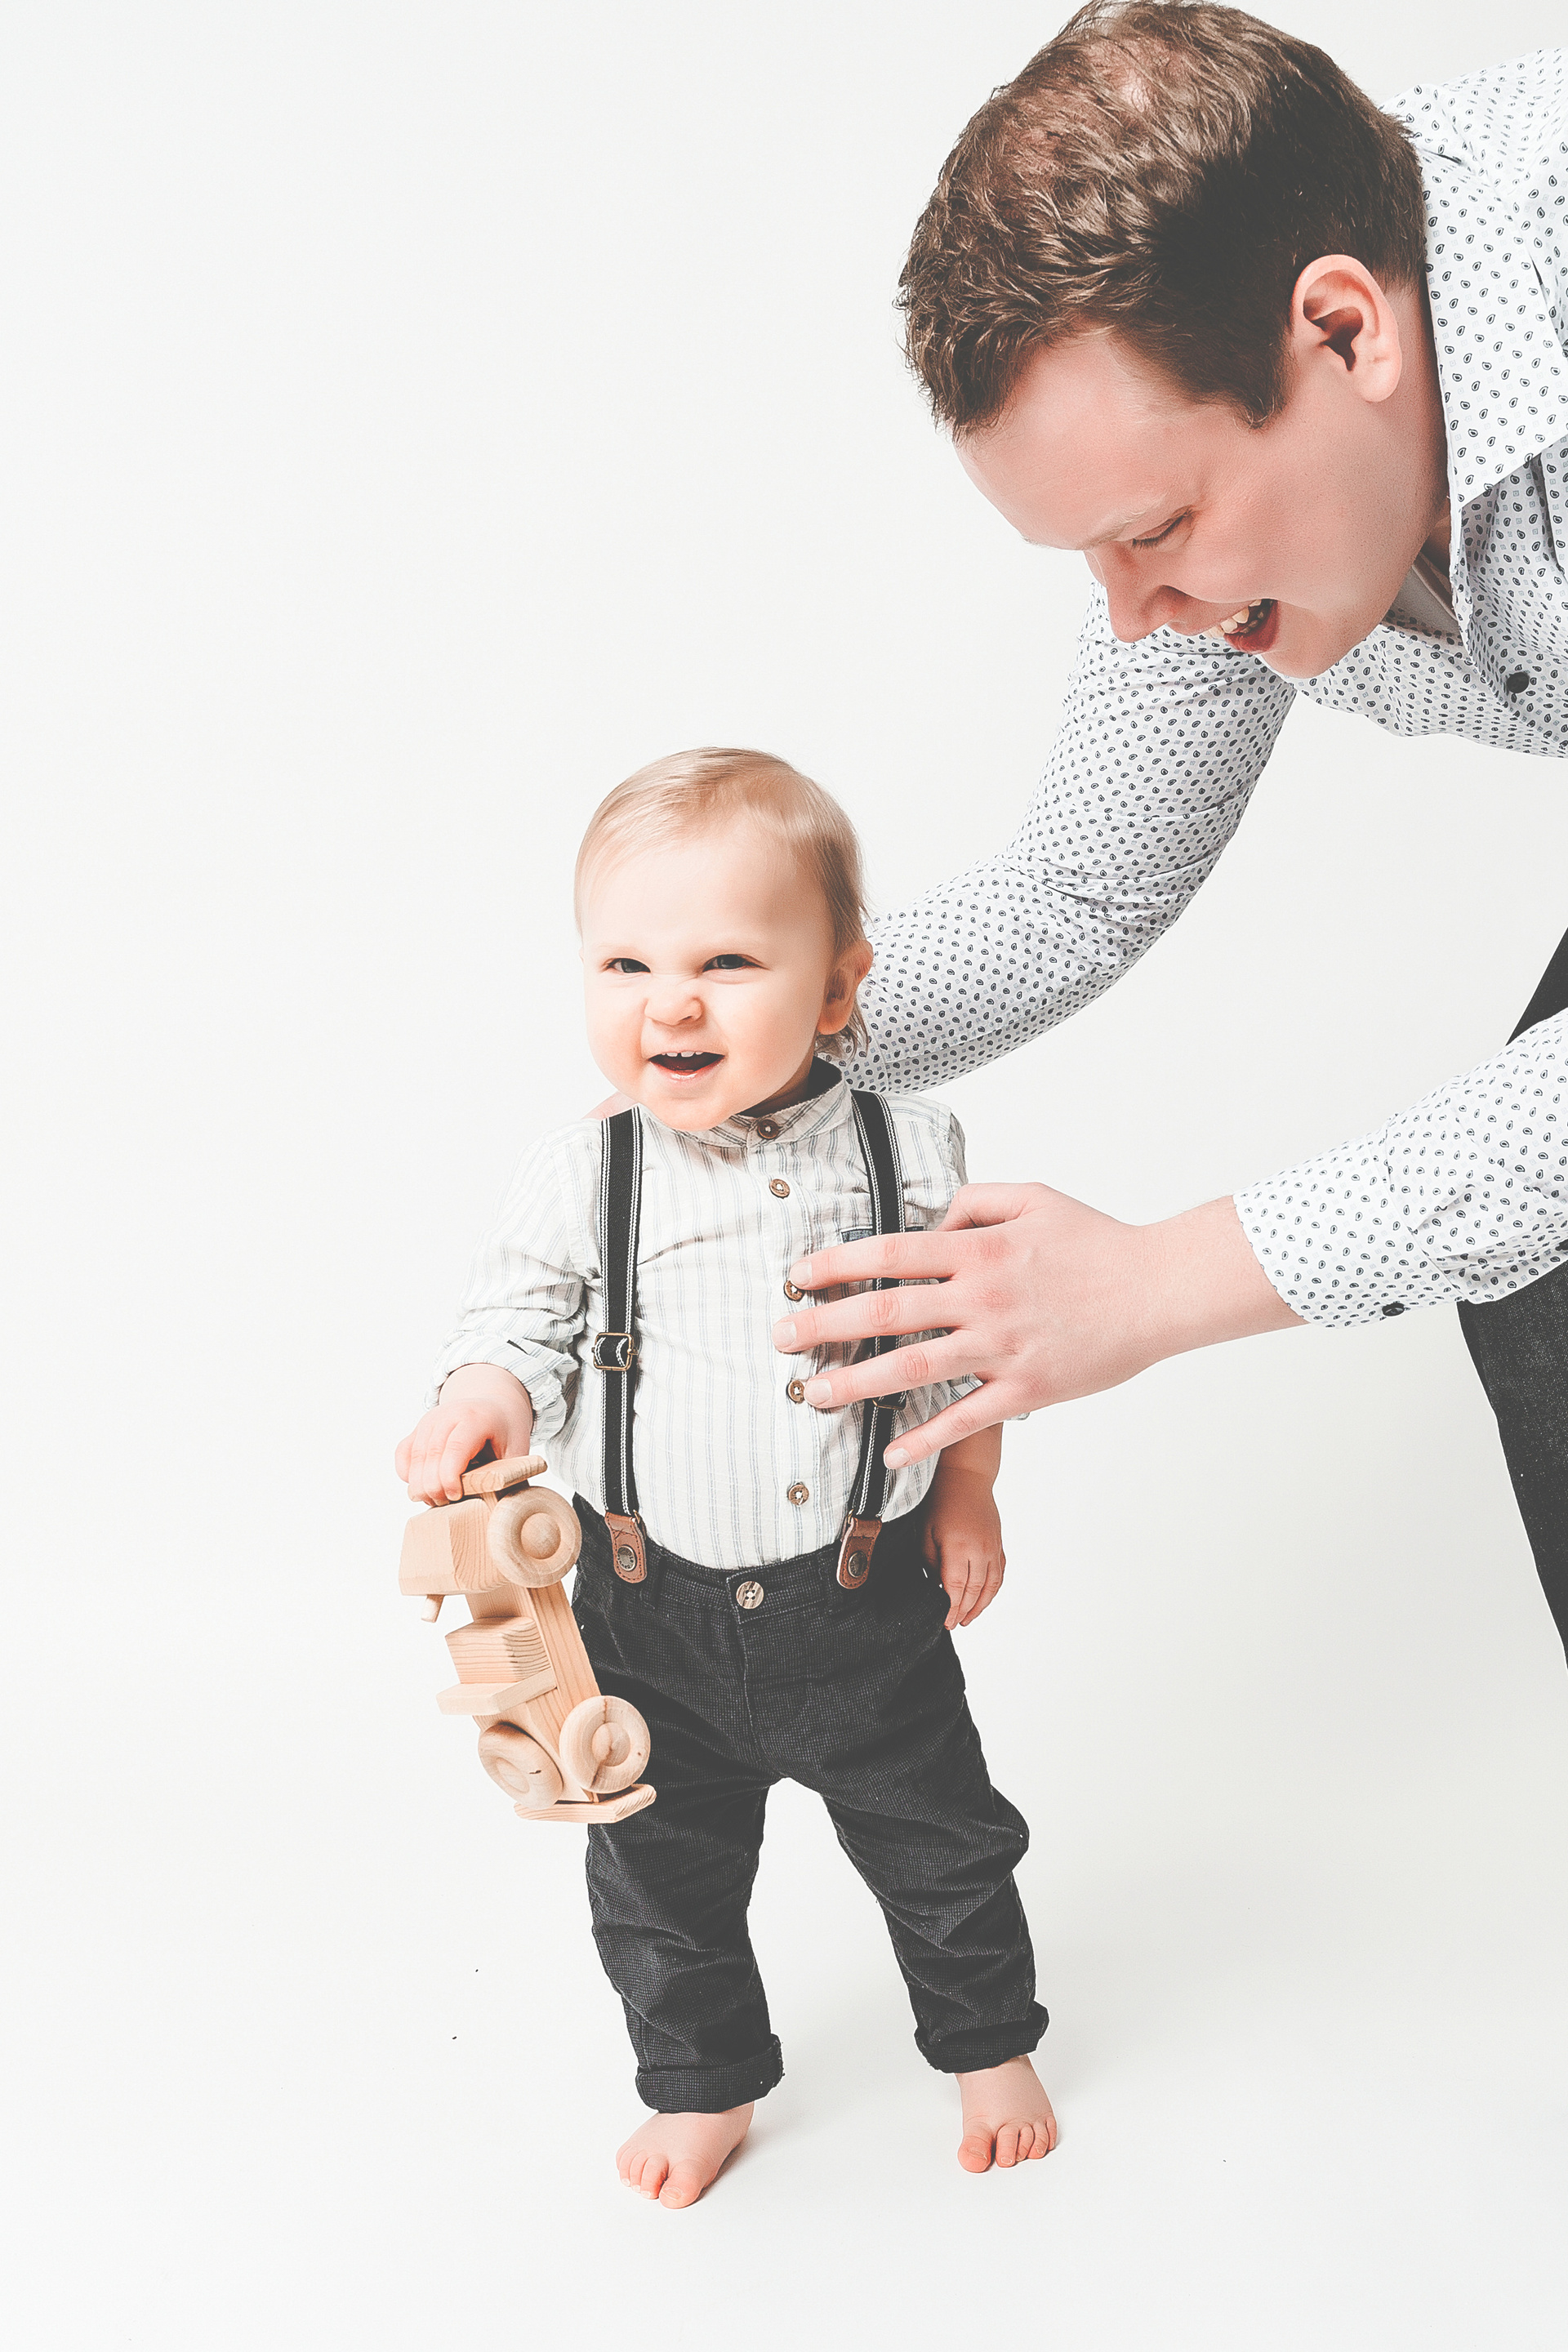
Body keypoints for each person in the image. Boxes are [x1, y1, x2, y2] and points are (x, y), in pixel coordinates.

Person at [772, 3, 1568, 1655]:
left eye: (1156, 530)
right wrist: (743, 1028)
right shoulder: (1256, 444)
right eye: (1093, 558)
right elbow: (1079, 887)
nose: (1136, 619)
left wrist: (1152, 1285)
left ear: (1343, 332)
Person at [395, 748, 1054, 2209]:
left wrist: (969, 1491)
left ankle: (989, 2043)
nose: (671, 1003)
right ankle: (705, 2082)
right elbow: (521, 1322)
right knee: (657, 1886)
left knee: (944, 1844)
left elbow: (959, 1346)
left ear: (837, 988)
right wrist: (483, 1396)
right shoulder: (588, 1171)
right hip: (649, 1620)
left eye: (727, 962)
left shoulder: (909, 1148)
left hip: (863, 1611)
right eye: (626, 963)